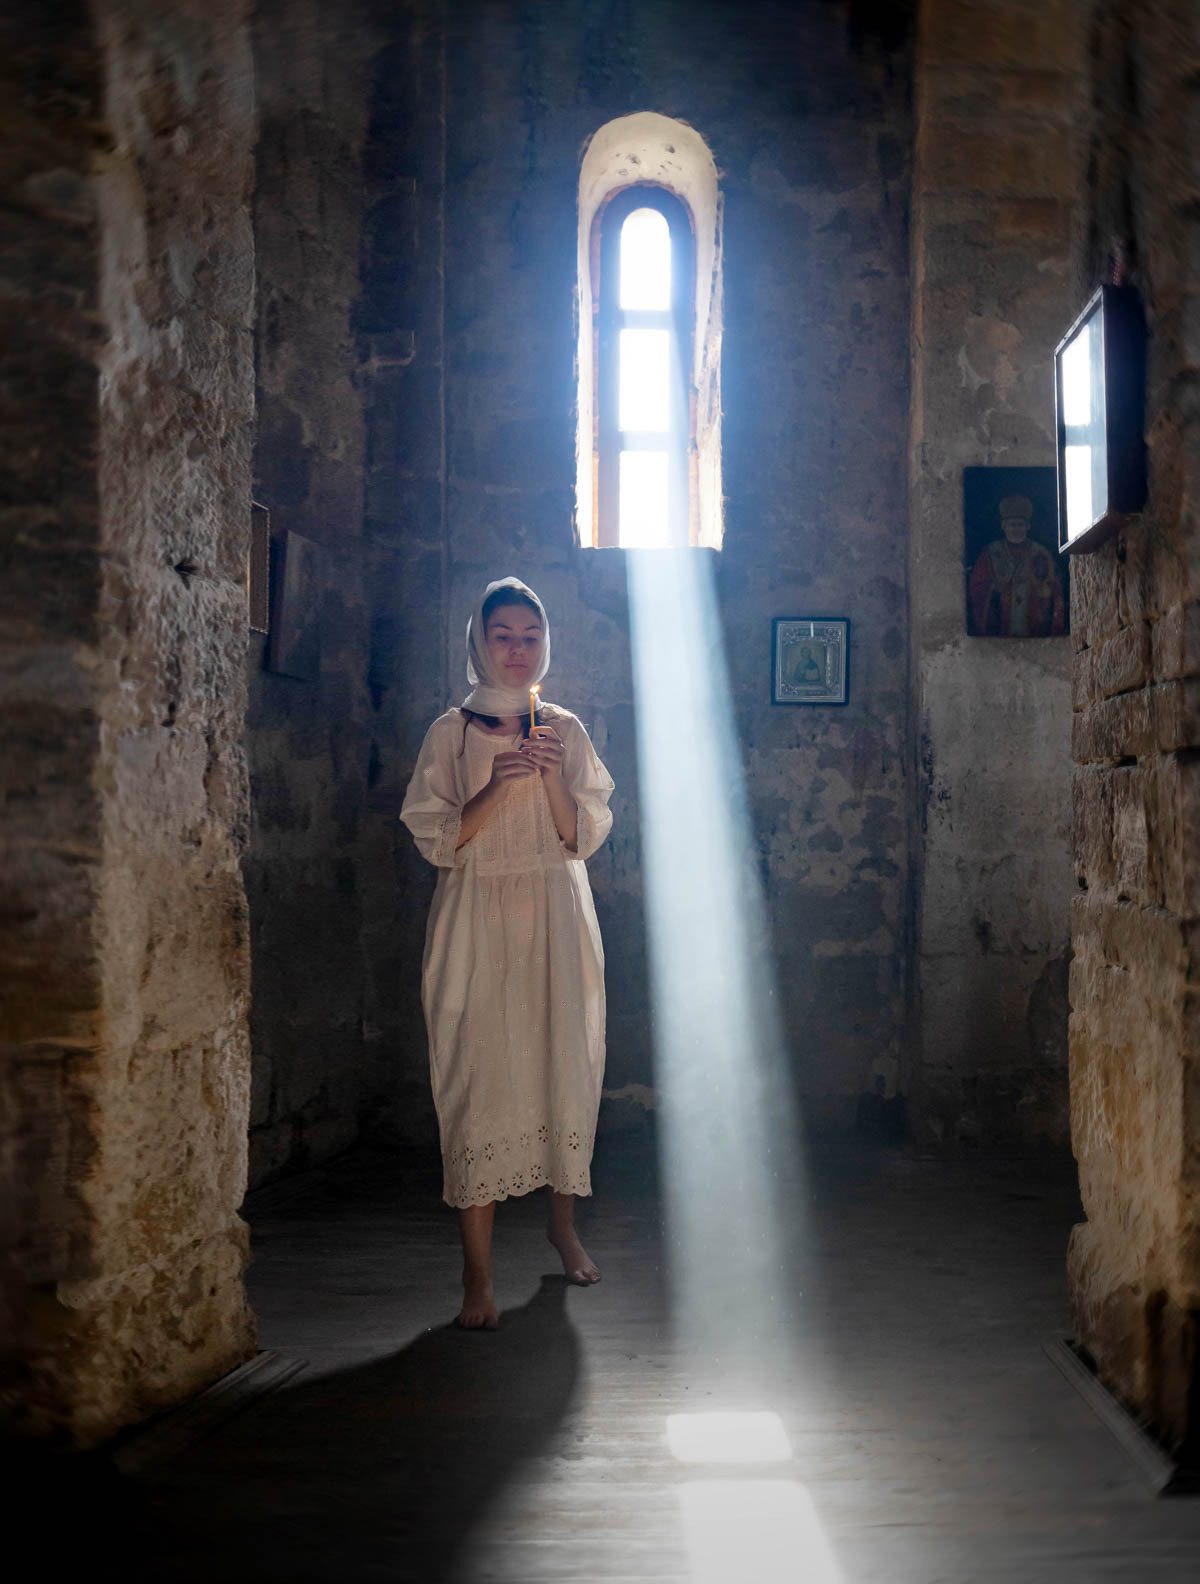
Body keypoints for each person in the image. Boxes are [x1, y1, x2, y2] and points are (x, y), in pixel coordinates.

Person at [400, 577, 615, 1329]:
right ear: (479, 643)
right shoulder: (449, 735)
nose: (517, 650)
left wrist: (550, 775)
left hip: (556, 913)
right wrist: (494, 787)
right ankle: (477, 1273)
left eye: (530, 636)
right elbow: (436, 840)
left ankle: (562, 1227)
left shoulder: (565, 728)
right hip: (477, 922)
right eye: (503, 636)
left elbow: (579, 836)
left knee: (563, 1063)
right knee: (477, 1080)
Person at [967, 492, 1066, 638]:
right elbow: (977, 586)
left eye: (1020, 525)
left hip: (1034, 627)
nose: (1016, 529)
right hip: (1000, 626)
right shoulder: (991, 553)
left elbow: (1055, 590)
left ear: (1028, 526)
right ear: (1004, 526)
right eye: (1012, 525)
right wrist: (994, 588)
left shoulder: (1040, 553)